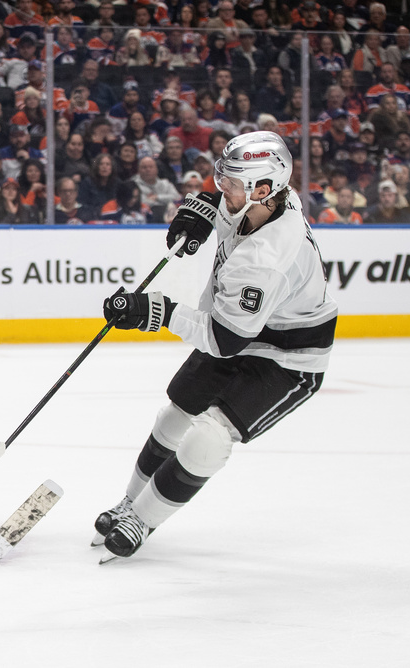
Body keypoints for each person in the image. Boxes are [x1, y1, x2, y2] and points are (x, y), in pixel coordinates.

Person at [95, 131, 337, 560]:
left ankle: (143, 519)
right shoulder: (267, 198)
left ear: (263, 189)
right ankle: (129, 502)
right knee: (176, 414)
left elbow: (224, 339)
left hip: (288, 357)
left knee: (208, 435)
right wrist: (204, 207)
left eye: (228, 180)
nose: (219, 183)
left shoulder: (265, 259)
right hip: (248, 328)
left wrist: (157, 312)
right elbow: (228, 203)